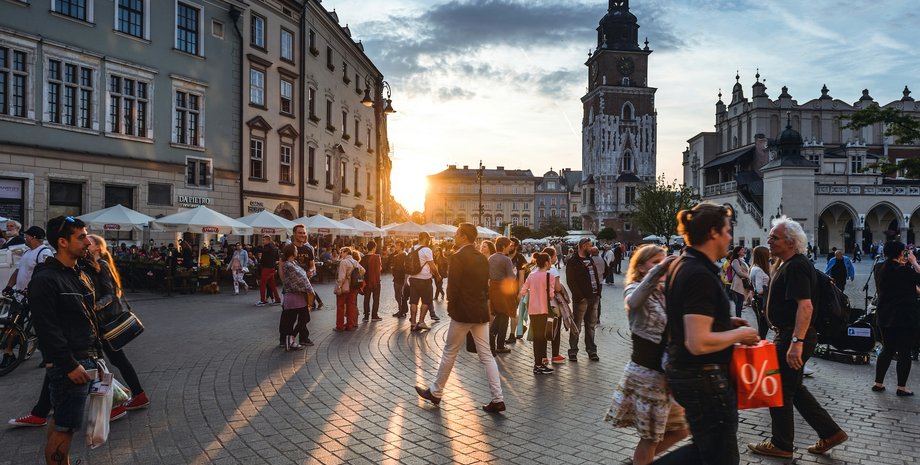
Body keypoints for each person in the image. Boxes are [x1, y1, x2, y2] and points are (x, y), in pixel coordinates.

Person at [653, 203, 760, 465]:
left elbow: (684, 317)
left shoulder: (682, 264)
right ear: (713, 232)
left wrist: (724, 322)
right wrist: (740, 336)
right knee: (716, 455)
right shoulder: (699, 273)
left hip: (690, 373)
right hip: (704, 377)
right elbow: (698, 342)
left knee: (708, 451)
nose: (730, 238)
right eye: (726, 231)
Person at [747, 216, 847, 459]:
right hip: (789, 334)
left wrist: (796, 343)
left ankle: (781, 443)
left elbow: (806, 307)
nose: (768, 240)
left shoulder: (797, 266)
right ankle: (830, 432)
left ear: (790, 242)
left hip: (793, 335)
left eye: (774, 237)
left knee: (779, 388)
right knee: (794, 388)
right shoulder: (787, 263)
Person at [606, 244, 688, 465]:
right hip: (647, 374)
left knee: (681, 430)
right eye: (654, 262)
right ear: (641, 268)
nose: (662, 267)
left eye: (663, 261)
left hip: (665, 374)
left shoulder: (664, 291)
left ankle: (638, 462)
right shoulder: (633, 288)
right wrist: (660, 269)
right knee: (650, 438)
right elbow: (633, 302)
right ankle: (640, 461)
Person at [28, 216, 99, 465]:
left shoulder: (78, 273)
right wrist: (70, 365)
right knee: (64, 427)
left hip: (83, 357)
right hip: (70, 364)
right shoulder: (46, 278)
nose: (88, 242)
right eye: (81, 237)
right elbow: (47, 330)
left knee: (62, 422)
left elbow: (87, 317)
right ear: (62, 242)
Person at [414, 223, 505, 413]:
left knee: (449, 351)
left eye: (457, 233)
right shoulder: (482, 257)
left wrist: (451, 305)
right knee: (487, 355)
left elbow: (453, 287)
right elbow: (485, 285)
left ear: (464, 236)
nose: (454, 236)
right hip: (479, 311)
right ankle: (498, 398)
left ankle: (436, 392)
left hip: (463, 312)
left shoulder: (457, 257)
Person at [872, 241, 920, 396]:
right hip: (904, 317)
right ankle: (901, 387)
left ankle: (878, 383)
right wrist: (913, 262)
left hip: (885, 316)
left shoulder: (879, 268)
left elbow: (903, 286)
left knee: (888, 349)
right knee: (904, 351)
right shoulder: (905, 270)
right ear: (901, 253)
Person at [565, 237, 602, 362]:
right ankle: (573, 351)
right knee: (577, 326)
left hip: (594, 296)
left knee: (591, 326)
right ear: (584, 246)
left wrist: (598, 294)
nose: (592, 248)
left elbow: (595, 276)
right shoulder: (573, 261)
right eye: (590, 246)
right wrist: (579, 296)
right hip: (582, 299)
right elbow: (571, 281)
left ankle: (592, 350)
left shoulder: (590, 260)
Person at [520, 252, 555, 374]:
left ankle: (537, 363)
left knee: (536, 337)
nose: (551, 263)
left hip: (532, 310)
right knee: (542, 337)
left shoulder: (531, 275)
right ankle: (540, 364)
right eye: (550, 261)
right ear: (546, 263)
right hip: (544, 309)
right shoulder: (548, 276)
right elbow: (551, 296)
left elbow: (523, 290)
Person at [278, 243, 313, 350]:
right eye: (296, 250)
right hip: (293, 296)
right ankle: (290, 341)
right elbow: (300, 279)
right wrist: (310, 290)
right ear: (292, 252)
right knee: (291, 321)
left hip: (299, 297)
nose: (297, 251)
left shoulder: (294, 263)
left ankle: (291, 339)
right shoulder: (289, 265)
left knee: (304, 318)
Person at [488, 237, 517, 354]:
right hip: (503, 289)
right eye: (509, 245)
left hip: (493, 289)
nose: (510, 247)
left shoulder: (491, 258)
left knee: (500, 315)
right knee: (505, 315)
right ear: (504, 246)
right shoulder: (506, 260)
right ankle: (499, 345)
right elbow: (511, 277)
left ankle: (491, 340)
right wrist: (514, 273)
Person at [408, 232, 439, 331]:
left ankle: (413, 323)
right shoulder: (427, 250)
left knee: (413, 301)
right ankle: (421, 322)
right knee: (426, 301)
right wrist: (437, 276)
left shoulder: (411, 249)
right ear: (425, 239)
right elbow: (432, 266)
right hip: (425, 279)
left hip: (413, 278)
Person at [542, 246, 568, 364]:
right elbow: (557, 287)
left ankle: (543, 357)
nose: (556, 258)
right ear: (551, 257)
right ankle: (555, 355)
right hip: (553, 304)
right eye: (555, 255)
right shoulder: (553, 270)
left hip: (540, 304)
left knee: (542, 330)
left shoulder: (536, 270)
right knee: (555, 329)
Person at [334, 247, 364, 331]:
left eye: (341, 252)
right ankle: (350, 325)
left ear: (346, 252)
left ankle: (339, 326)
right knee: (351, 306)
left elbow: (341, 277)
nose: (341, 254)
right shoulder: (355, 262)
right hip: (353, 287)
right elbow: (363, 270)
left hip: (344, 287)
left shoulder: (344, 262)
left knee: (340, 306)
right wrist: (354, 277)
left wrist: (339, 286)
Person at [748, 245, 772, 340]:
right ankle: (760, 348)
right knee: (763, 328)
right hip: (761, 301)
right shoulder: (758, 270)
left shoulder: (755, 267)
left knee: (762, 327)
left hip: (758, 301)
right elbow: (759, 290)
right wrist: (769, 287)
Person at [361, 241, 382, 321]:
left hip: (367, 281)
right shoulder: (377, 257)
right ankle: (374, 315)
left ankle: (366, 316)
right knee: (376, 299)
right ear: (374, 248)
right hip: (376, 281)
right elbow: (379, 269)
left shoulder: (364, 258)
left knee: (366, 298)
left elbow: (361, 270)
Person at [728, 246, 750, 318]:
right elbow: (739, 272)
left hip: (741, 282)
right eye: (742, 250)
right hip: (738, 283)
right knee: (739, 302)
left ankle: (739, 317)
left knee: (740, 301)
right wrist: (748, 276)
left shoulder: (742, 260)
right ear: (737, 252)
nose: (744, 250)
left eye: (744, 249)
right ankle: (738, 317)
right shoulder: (735, 260)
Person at [391, 241, 409, 318]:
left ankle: (403, 311)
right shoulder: (395, 256)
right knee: (397, 295)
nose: (396, 247)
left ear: (401, 246)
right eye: (396, 245)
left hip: (402, 278)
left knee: (402, 295)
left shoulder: (405, 255)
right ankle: (401, 309)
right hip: (396, 278)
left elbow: (406, 268)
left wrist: (405, 279)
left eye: (397, 245)